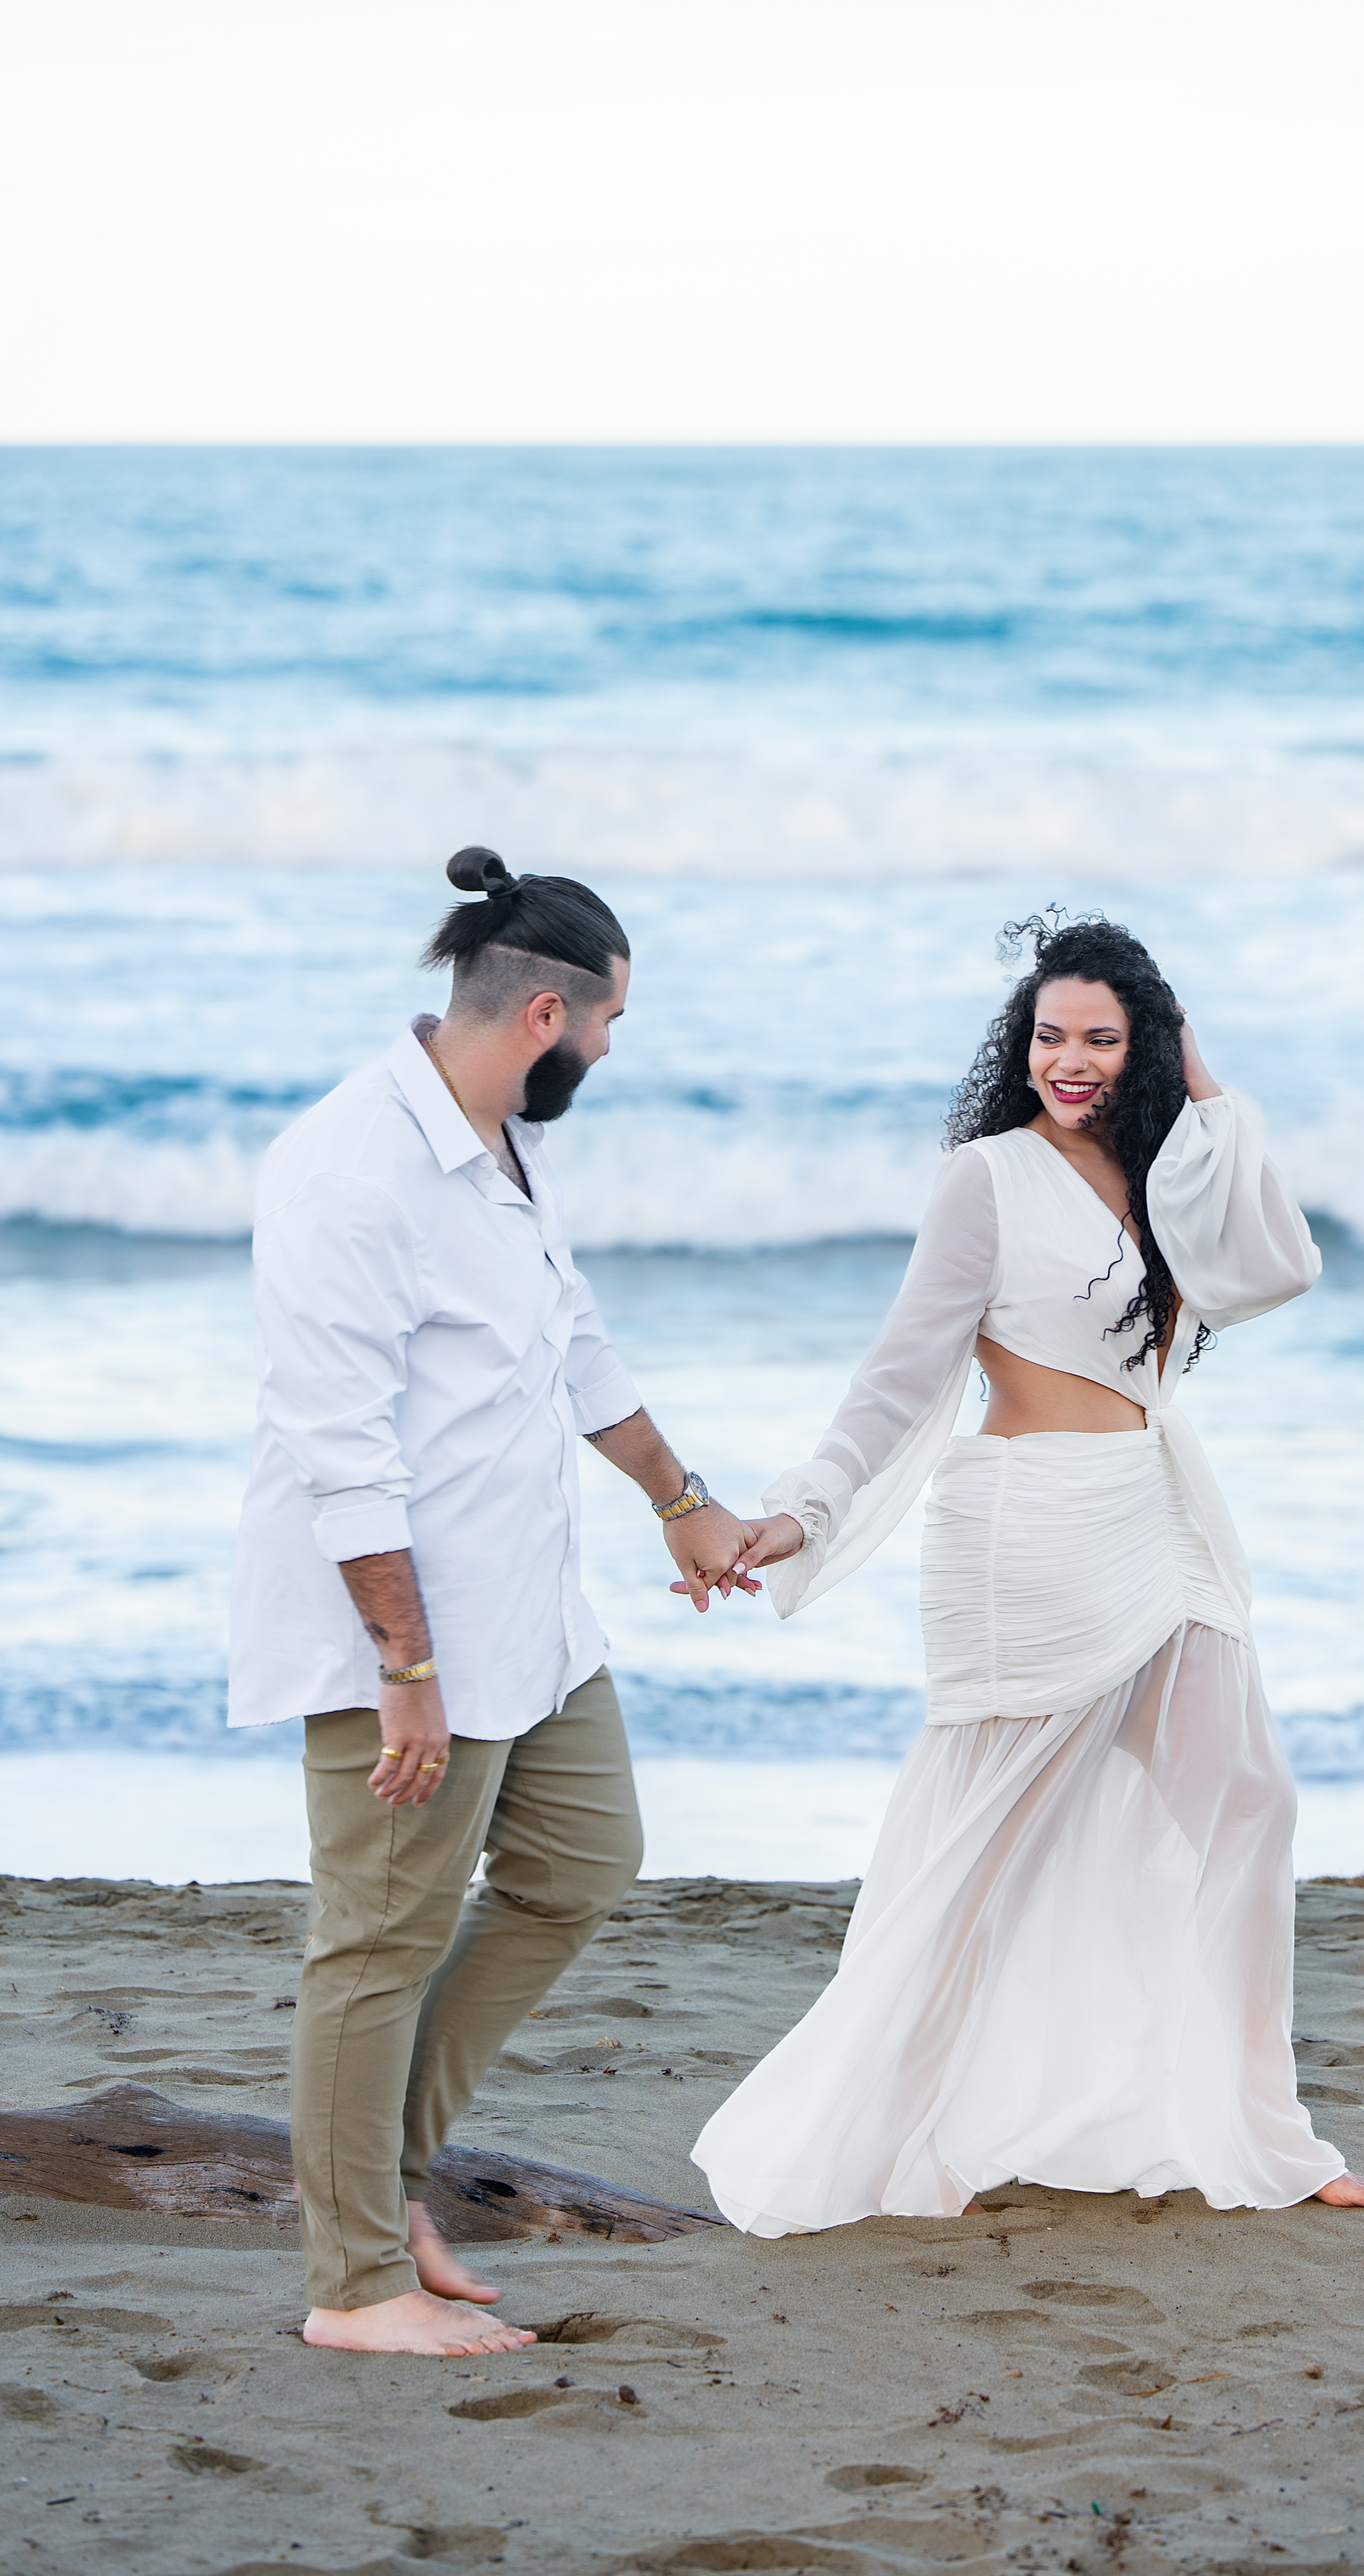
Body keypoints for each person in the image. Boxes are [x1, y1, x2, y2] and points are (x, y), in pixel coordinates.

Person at [691, 913, 1364, 2234]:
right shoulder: (989, 1180)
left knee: (1250, 1802)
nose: (1068, 1062)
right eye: (1048, 1036)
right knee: (986, 1856)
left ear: (1148, 1047)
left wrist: (1205, 1090)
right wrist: (803, 1510)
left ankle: (1262, 2135)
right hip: (1030, 1531)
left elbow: (1283, 1267)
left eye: (1101, 1040)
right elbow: (903, 1370)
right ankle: (887, 2134)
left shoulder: (1172, 1171)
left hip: (1160, 1517)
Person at [230, 848, 754, 2356]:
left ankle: (386, 2184)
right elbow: (338, 1447)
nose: (608, 1051)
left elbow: (572, 1341)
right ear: (544, 1014)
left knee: (583, 1862)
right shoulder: (348, 1169)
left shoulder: (502, 1140)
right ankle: (350, 2286)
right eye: (608, 1025)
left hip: (535, 1608)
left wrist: (680, 1500)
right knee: (379, 1939)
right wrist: (403, 1666)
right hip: (409, 1634)